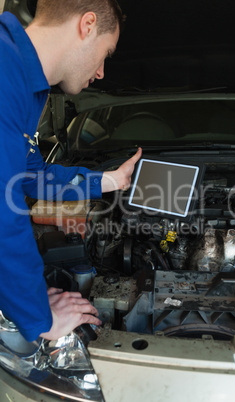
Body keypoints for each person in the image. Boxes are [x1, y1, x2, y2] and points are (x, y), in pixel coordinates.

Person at [0, 0, 142, 343]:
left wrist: (110, 181)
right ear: (87, 25)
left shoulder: (24, 81)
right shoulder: (5, 72)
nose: (101, 73)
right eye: (106, 53)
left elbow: (31, 175)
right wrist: (39, 318)